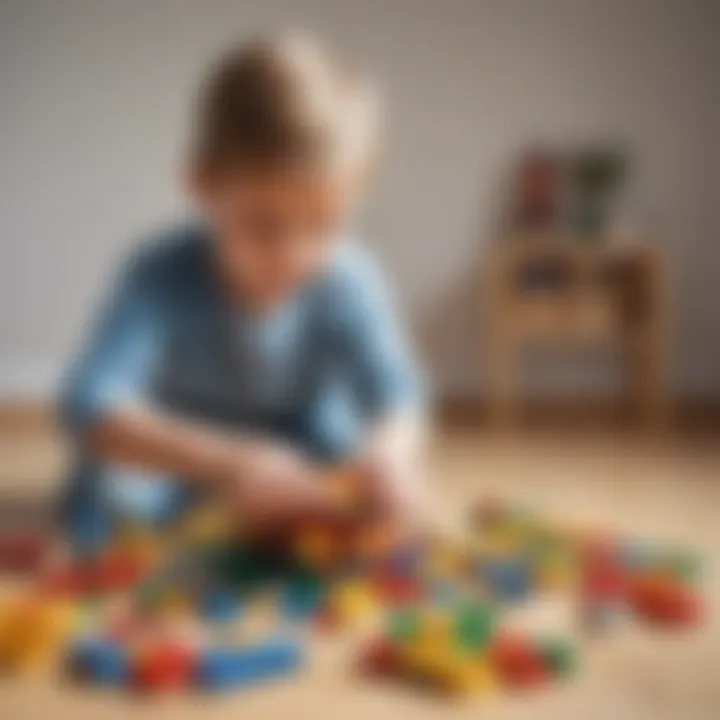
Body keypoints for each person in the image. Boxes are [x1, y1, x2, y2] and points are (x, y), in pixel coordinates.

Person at [60, 34, 424, 550]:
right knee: (112, 488)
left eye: (324, 226)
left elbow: (396, 396)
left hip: (301, 448)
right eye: (263, 225)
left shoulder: (351, 278)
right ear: (201, 184)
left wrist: (392, 454)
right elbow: (90, 406)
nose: (293, 255)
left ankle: (265, 513)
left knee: (360, 472)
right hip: (188, 452)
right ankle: (235, 511)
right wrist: (236, 465)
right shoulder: (160, 273)